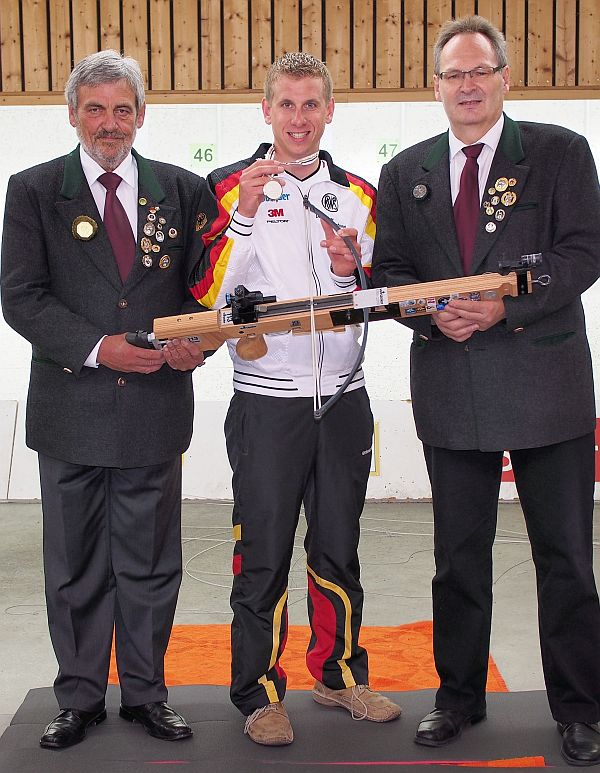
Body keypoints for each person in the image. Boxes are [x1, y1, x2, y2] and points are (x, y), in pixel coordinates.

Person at [372, 14, 600, 767]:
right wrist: (431, 313)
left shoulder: (560, 153)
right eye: (453, 75)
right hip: (452, 384)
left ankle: (581, 709)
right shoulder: (405, 171)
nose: (467, 86)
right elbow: (391, 274)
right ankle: (458, 698)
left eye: (479, 71)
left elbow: (584, 251)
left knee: (565, 559)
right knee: (457, 558)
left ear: (505, 78)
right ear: (436, 86)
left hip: (547, 387)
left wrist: (508, 304)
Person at [188, 51, 401, 746]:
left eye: (312, 104)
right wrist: (246, 216)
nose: (299, 118)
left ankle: (338, 676)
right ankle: (259, 693)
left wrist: (350, 272)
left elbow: (379, 299)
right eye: (287, 104)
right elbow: (208, 297)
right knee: (263, 553)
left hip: (343, 399)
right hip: (266, 403)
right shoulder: (227, 188)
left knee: (338, 548)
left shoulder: (359, 193)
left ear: (330, 110)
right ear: (266, 111)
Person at [1, 50, 207, 749]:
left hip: (154, 410)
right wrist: (97, 347)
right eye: (95, 109)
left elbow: (204, 290)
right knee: (75, 568)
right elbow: (21, 296)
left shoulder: (183, 190)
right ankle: (80, 697)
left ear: (141, 115)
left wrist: (198, 342)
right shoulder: (33, 191)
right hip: (70, 413)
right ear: (72, 115)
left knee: (151, 566)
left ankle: (147, 695)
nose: (109, 123)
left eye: (122, 109)